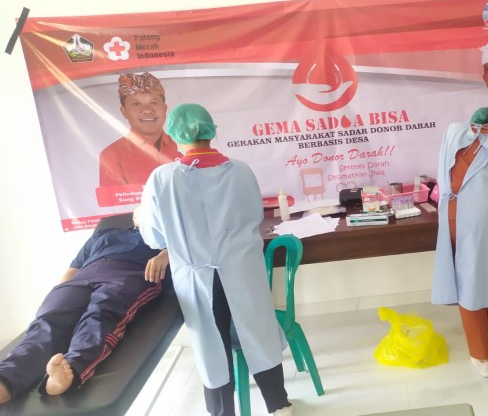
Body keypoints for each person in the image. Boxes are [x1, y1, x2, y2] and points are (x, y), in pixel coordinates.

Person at [138, 103, 292, 416]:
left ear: (174, 135)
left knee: (213, 347)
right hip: (242, 271)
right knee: (259, 334)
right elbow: (254, 216)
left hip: (197, 279)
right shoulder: (240, 170)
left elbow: (154, 237)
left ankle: (222, 412)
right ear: (211, 130)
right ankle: (279, 405)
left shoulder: (162, 179)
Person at [0, 209, 167, 404]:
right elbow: (74, 268)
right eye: (142, 207)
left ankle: (69, 372)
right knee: (47, 321)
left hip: (131, 274)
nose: (145, 209)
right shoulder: (104, 234)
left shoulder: (167, 238)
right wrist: (59, 294)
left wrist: (166, 254)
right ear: (134, 216)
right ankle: (7, 378)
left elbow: (188, 254)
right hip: (83, 276)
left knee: (100, 314)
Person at [431, 107, 488, 378]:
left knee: (467, 280)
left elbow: (445, 176)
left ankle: (482, 354)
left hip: (453, 215)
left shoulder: (452, 130)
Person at [99, 72, 180, 187]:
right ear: (124, 112)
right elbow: (114, 198)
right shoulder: (112, 155)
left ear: (165, 108)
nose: (147, 110)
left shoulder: (185, 147)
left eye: (153, 102)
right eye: (136, 104)